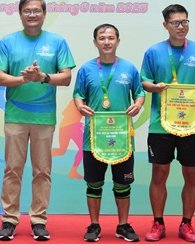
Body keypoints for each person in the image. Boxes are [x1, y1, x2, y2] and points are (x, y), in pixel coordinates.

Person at [0, 0, 76, 241]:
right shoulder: (8, 42)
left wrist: (43, 77)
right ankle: (9, 220)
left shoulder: (57, 41)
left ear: (44, 14)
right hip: (16, 117)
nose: (32, 15)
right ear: (20, 14)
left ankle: (39, 220)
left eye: (37, 10)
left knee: (42, 172)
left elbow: (66, 77)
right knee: (12, 170)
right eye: (27, 11)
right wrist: (24, 79)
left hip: (44, 118)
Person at [140, 4, 195, 243]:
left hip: (192, 124)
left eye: (184, 22)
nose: (181, 27)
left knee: (192, 175)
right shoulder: (153, 51)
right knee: (159, 173)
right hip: (160, 124)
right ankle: (158, 223)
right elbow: (144, 82)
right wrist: (155, 87)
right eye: (175, 23)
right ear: (165, 25)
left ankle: (187, 223)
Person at [73, 24, 145, 243]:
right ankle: (94, 225)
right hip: (94, 138)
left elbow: (139, 93)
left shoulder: (129, 68)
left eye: (111, 38)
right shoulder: (86, 69)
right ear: (95, 42)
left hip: (122, 138)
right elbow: (78, 95)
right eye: (102, 38)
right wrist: (80, 105)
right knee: (94, 183)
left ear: (118, 41)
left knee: (123, 183)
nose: (106, 42)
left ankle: (123, 225)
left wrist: (138, 104)